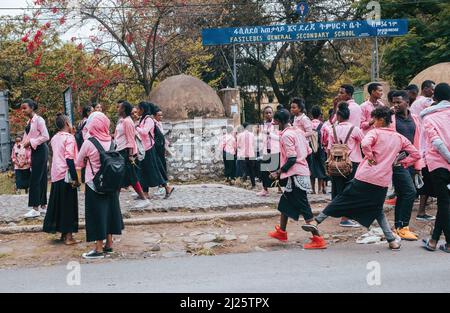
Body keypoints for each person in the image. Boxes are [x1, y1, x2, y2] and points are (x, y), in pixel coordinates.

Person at [302, 106, 420, 251]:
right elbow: (416, 154)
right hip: (382, 180)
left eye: (374, 119)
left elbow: (364, 143)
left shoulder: (375, 132)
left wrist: (369, 156)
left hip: (365, 176)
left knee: (342, 199)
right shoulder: (399, 137)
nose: (373, 122)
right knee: (377, 209)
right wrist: (402, 162)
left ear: (381, 119)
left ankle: (316, 221)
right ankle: (391, 240)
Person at [267, 109, 325, 249]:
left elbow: (292, 158)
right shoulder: (298, 132)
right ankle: (282, 231)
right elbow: (309, 151)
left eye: (275, 121)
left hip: (295, 174)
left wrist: (278, 172)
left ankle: (318, 239)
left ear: (280, 121)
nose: (274, 123)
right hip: (300, 172)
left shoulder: (286, 136)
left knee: (304, 207)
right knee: (285, 202)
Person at [76, 112, 124, 259]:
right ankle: (109, 244)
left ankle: (98, 249)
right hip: (111, 183)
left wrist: (79, 182)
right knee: (110, 213)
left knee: (96, 216)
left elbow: (78, 163)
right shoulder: (111, 141)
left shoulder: (89, 142)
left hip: (94, 185)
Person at [390, 90, 425, 240]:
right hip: (397, 162)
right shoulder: (390, 118)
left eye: (398, 102)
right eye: (394, 102)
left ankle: (399, 227)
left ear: (407, 102)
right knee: (410, 193)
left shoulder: (416, 118)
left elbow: (419, 141)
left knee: (403, 194)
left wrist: (418, 166)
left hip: (412, 161)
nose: (395, 105)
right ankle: (403, 226)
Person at [421, 83, 450, 253]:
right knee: (445, 203)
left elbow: (436, 142)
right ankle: (433, 240)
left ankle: (447, 242)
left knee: (444, 202)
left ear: (435, 98)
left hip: (437, 163)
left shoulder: (429, 117)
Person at [43, 114, 80, 245]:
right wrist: (75, 177)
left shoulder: (54, 138)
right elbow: (69, 157)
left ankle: (63, 234)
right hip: (66, 175)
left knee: (60, 204)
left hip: (56, 174)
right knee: (69, 205)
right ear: (66, 123)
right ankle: (69, 237)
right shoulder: (69, 138)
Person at [327, 102, 364, 228]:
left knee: (339, 189)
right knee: (351, 189)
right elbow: (364, 144)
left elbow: (329, 149)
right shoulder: (355, 130)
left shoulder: (333, 130)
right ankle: (345, 218)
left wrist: (329, 164)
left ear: (338, 116)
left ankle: (342, 213)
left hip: (336, 162)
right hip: (352, 163)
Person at [115, 100, 150, 208]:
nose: (117, 109)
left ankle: (144, 199)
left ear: (124, 109)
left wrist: (130, 155)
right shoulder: (122, 120)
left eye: (119, 107)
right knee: (120, 177)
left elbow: (130, 139)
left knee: (131, 177)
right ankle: (114, 202)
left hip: (126, 152)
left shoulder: (127, 122)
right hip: (120, 150)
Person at [136, 102, 175, 199]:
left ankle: (167, 187)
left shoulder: (149, 120)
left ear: (143, 109)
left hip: (149, 149)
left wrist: (136, 127)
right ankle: (145, 193)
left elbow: (145, 132)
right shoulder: (143, 119)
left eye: (139, 109)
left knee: (154, 170)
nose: (137, 111)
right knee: (144, 171)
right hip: (143, 149)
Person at [21, 99, 50, 219]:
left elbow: (46, 136)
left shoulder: (39, 120)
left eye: (25, 108)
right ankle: (43, 206)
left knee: (35, 179)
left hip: (40, 150)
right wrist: (24, 143)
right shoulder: (29, 121)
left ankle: (35, 208)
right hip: (35, 150)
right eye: (22, 108)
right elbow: (26, 137)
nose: (23, 110)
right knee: (41, 178)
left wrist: (31, 142)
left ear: (32, 108)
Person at [414, 81, 438, 221]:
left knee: (426, 182)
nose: (433, 92)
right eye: (432, 89)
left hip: (424, 148)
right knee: (429, 183)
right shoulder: (427, 104)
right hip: (431, 150)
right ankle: (422, 212)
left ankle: (422, 211)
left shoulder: (416, 104)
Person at [258, 106, 281, 196]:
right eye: (266, 113)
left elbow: (279, 137)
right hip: (265, 150)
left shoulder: (276, 124)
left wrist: (269, 134)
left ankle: (280, 188)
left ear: (273, 113)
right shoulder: (262, 125)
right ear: (264, 114)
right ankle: (265, 189)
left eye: (270, 112)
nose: (268, 114)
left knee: (277, 169)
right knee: (264, 169)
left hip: (275, 150)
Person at [308, 105, 327, 194]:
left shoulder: (308, 125)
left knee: (311, 168)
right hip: (320, 150)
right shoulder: (323, 126)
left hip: (310, 150)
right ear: (320, 115)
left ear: (311, 115)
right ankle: (319, 189)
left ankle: (312, 189)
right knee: (320, 169)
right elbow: (326, 138)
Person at [236, 122, 257, 189]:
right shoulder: (252, 135)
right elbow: (254, 145)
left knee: (243, 170)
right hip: (251, 155)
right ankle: (253, 184)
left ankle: (243, 184)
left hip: (243, 155)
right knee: (251, 171)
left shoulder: (239, 135)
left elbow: (238, 145)